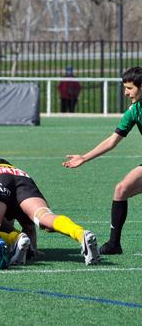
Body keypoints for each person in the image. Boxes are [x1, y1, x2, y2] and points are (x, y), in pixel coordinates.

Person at [63, 66, 142, 255]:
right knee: (121, 189)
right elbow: (112, 140)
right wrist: (84, 157)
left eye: (130, 88)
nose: (125, 92)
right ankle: (114, 244)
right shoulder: (134, 110)